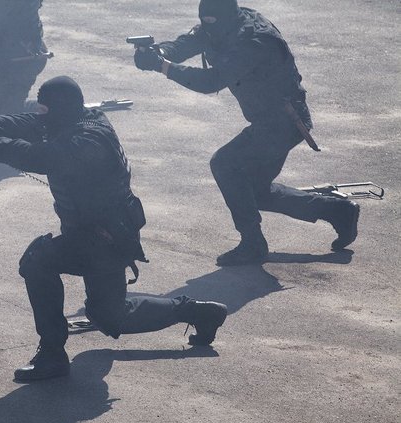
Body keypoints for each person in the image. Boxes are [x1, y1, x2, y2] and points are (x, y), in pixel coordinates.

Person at [0, 76, 229, 382]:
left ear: (60, 110)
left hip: (105, 238)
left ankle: (52, 356)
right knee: (110, 315)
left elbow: (38, 156)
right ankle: (200, 313)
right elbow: (24, 122)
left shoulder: (89, 140)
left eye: (45, 110)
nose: (40, 117)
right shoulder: (72, 118)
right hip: (93, 232)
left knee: (37, 261)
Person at [132, 0, 360, 266]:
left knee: (224, 164)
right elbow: (190, 41)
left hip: (284, 122)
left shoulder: (253, 40)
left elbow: (212, 81)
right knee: (254, 192)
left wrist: (162, 66)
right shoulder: (222, 24)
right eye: (205, 22)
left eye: (212, 22)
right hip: (269, 121)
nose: (208, 27)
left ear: (226, 18)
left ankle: (252, 244)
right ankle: (338, 211)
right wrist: (159, 51)